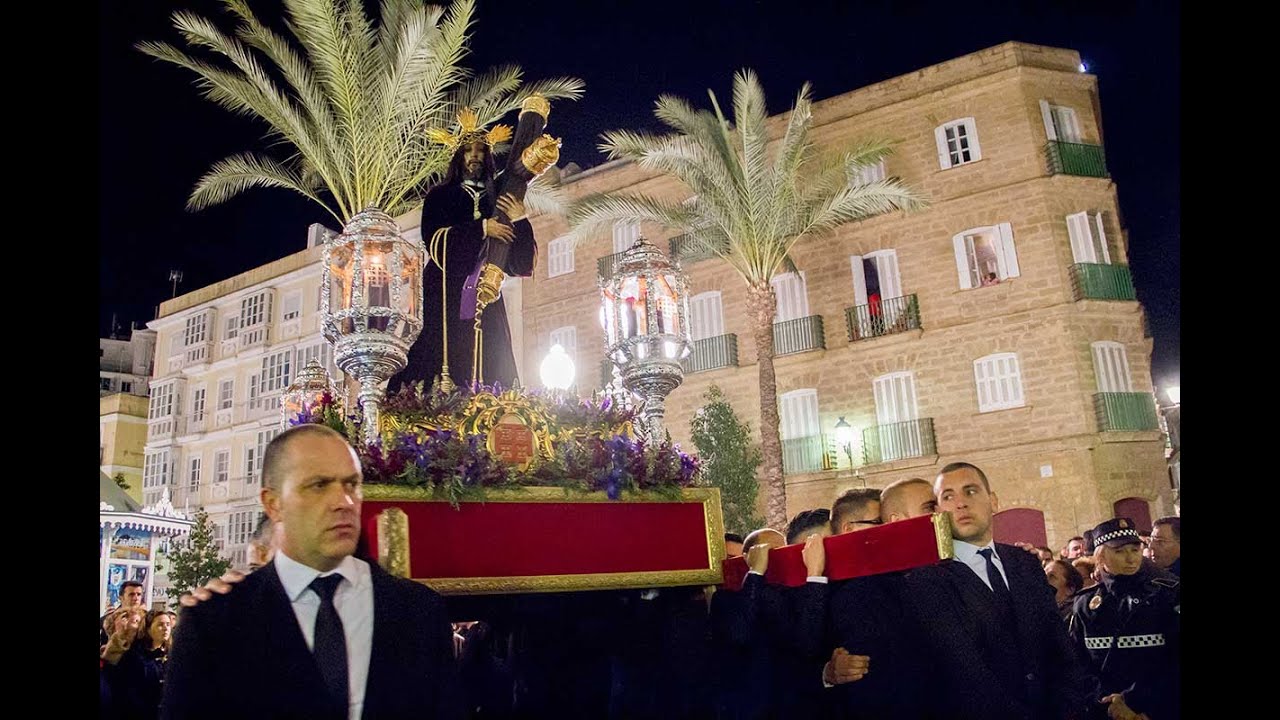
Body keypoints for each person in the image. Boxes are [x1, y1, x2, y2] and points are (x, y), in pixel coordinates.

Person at [160, 424, 461, 720]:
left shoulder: (420, 611)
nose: (343, 502)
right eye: (319, 485)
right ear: (273, 503)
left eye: (351, 484)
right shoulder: (214, 621)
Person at [906, 462, 1089, 719]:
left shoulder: (1025, 563)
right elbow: (962, 672)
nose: (960, 504)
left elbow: (1058, 648)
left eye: (970, 491)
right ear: (937, 512)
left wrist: (1067, 708)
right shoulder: (925, 580)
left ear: (993, 501)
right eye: (948, 496)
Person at [387, 118, 537, 394]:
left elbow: (521, 264)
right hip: (443, 294)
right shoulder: (440, 196)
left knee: (493, 363)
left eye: (481, 150)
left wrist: (521, 219)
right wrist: (482, 228)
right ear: (458, 157)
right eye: (468, 151)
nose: (475, 156)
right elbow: (435, 241)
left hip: (487, 292)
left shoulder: (499, 195)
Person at [824, 477, 940, 718]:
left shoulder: (917, 577)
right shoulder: (841, 592)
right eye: (879, 522)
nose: (886, 527)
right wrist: (827, 672)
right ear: (850, 529)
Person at [1069, 518, 1180, 720]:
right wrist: (1105, 702)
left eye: (1135, 550)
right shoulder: (1085, 604)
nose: (1131, 559)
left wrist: (1133, 702)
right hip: (1104, 711)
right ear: (1100, 557)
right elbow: (1076, 662)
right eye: (1119, 552)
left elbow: (1173, 662)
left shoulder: (1167, 595)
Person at [102, 609, 177, 720]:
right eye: (160, 625)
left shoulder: (171, 655)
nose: (166, 628)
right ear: (148, 629)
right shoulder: (136, 656)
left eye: (168, 624)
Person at [101, 580, 145, 647]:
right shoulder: (107, 620)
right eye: (131, 594)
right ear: (121, 598)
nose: (136, 598)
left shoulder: (147, 619)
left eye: (139, 594)